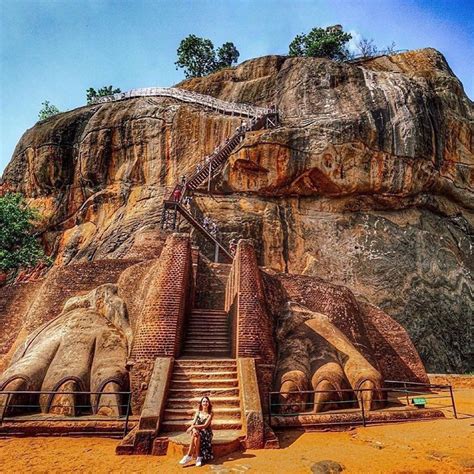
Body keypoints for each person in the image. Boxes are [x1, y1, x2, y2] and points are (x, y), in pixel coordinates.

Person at [179, 396, 214, 467]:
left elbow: (205, 426)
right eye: (203, 401)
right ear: (201, 403)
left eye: (207, 401)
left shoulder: (210, 413)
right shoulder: (198, 412)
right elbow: (193, 422)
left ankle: (189, 455)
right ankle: (198, 457)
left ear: (209, 403)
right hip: (197, 431)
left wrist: (193, 427)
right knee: (196, 434)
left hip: (206, 433)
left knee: (196, 434)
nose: (205, 403)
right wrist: (194, 428)